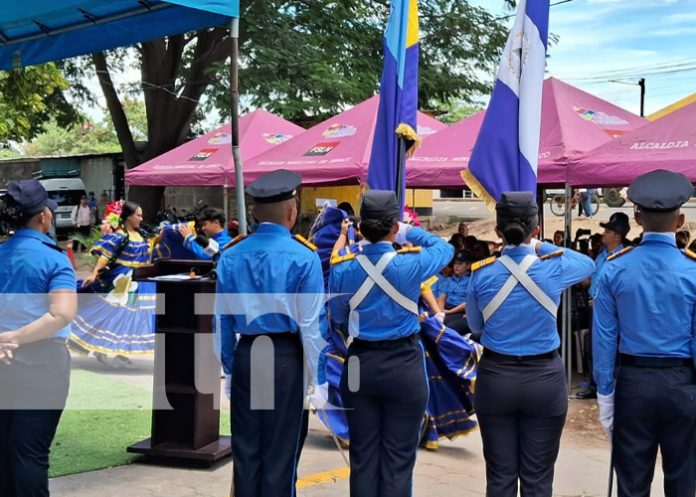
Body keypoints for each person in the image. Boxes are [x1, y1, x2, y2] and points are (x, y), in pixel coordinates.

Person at [466, 192, 594, 497]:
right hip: (544, 379)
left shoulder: (481, 273)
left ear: (498, 231)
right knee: (538, 480)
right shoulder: (552, 268)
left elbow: (475, 327)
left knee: (500, 478)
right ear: (536, 229)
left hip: (496, 377)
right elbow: (586, 264)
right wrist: (537, 245)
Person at [329, 190, 453, 497]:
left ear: (359, 229)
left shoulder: (343, 268)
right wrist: (407, 230)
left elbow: (340, 317)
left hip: (360, 364)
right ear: (394, 228)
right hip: (404, 364)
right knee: (399, 459)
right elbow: (443, 248)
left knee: (363, 456)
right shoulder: (410, 264)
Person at [215, 170, 327, 497]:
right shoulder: (305, 257)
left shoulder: (231, 255)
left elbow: (221, 320)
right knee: (281, 453)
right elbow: (311, 326)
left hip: (248, 355)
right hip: (285, 358)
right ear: (292, 213)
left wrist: (230, 368)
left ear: (253, 212)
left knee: (247, 450)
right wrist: (318, 378)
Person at [593, 170, 696, 497]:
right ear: (680, 221)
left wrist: (605, 397)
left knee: (632, 484)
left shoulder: (614, 268)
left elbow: (605, 339)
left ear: (637, 218)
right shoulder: (693, 270)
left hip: (633, 385)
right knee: (683, 483)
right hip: (682, 384)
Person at [0, 179, 77, 497]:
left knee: (4, 452)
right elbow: (61, 313)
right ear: (43, 216)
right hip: (43, 363)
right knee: (30, 454)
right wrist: (17, 336)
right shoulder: (54, 258)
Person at [436, 250, 473, 337]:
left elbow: (468, 302)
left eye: (460, 264)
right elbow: (442, 297)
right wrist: (439, 313)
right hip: (447, 309)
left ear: (468, 265)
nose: (456, 266)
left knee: (449, 327)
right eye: (455, 264)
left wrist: (449, 312)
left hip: (461, 311)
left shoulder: (471, 280)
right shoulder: (449, 280)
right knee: (434, 323)